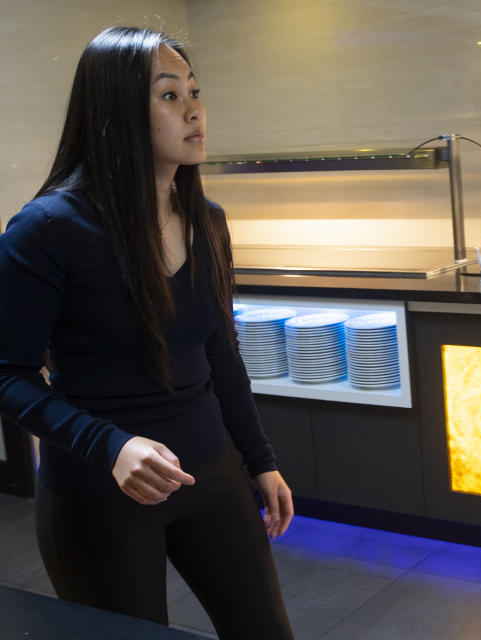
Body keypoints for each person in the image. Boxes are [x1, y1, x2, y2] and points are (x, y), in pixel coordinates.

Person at [0, 26, 295, 638]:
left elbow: (220, 351)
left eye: (195, 90)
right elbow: (8, 373)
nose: (194, 109)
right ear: (117, 112)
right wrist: (109, 445)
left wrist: (260, 460)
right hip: (98, 492)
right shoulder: (46, 230)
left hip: (210, 469)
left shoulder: (207, 222)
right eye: (168, 95)